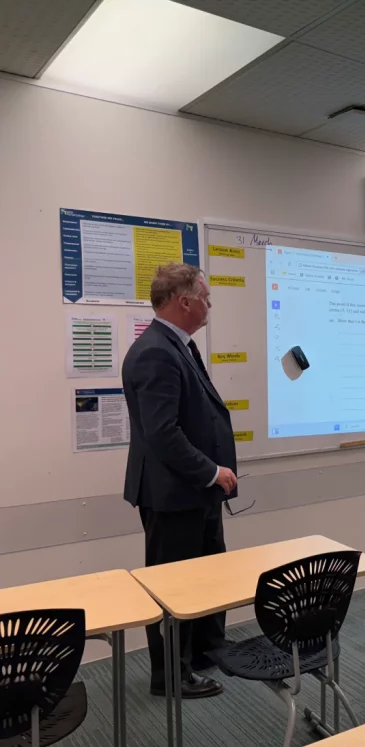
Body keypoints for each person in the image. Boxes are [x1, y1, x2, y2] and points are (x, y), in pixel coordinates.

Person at [122, 264, 237, 699]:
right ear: (184, 302)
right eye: (205, 298)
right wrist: (211, 471)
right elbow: (163, 434)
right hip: (172, 496)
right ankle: (171, 675)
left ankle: (204, 653)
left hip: (195, 493)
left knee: (207, 578)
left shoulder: (177, 345)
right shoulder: (155, 352)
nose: (210, 306)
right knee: (174, 588)